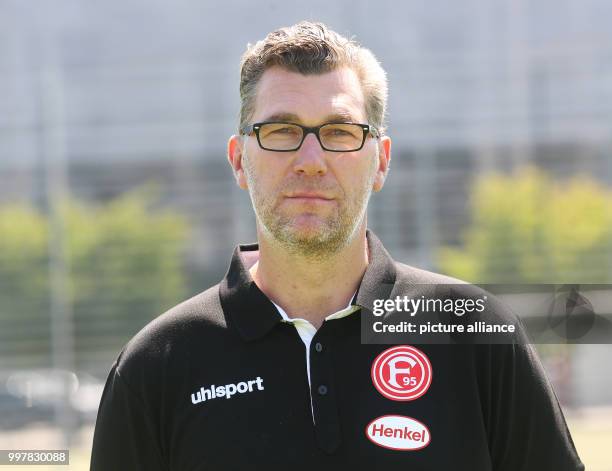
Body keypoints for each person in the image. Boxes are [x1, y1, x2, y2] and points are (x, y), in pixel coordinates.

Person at [90, 21, 584, 470]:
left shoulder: (475, 333)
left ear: (381, 161)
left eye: (340, 132)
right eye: (281, 131)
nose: (310, 159)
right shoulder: (157, 364)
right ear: (239, 160)